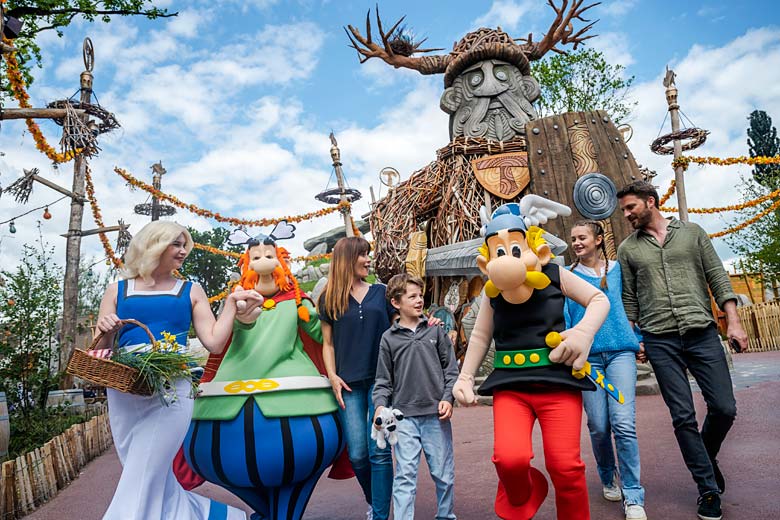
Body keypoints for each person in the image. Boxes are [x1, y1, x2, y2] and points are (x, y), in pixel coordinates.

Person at [94, 220, 262, 520]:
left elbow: (213, 341)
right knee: (145, 469)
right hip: (125, 390)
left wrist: (230, 306)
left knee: (144, 469)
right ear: (153, 245)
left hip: (172, 387)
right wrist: (106, 329)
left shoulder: (190, 289)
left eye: (185, 245)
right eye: (176, 244)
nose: (183, 251)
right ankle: (218, 515)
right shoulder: (116, 290)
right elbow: (99, 350)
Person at [617, 181, 747, 520]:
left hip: (702, 333)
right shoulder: (628, 249)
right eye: (624, 210)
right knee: (683, 416)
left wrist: (732, 320)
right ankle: (707, 489)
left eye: (631, 208)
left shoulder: (692, 233)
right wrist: (635, 339)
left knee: (724, 407)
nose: (627, 215)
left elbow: (718, 276)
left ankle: (706, 454)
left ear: (650, 201)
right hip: (660, 340)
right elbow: (629, 299)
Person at [564, 220, 646, 520]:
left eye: (582, 237)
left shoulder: (617, 271)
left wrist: (639, 339)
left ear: (598, 240)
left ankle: (634, 494)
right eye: (573, 239)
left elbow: (629, 305)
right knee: (599, 425)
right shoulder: (567, 277)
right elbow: (566, 319)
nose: (576, 243)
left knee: (623, 423)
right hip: (588, 359)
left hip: (621, 354)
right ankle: (607, 474)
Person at [319, 236, 395, 520]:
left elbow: (402, 324)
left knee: (378, 451)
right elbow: (328, 344)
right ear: (347, 259)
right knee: (358, 456)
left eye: (368, 254)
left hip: (381, 380)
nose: (367, 259)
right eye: (362, 255)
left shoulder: (382, 292)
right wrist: (332, 377)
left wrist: (431, 322)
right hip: (347, 384)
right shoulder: (328, 298)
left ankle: (379, 514)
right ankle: (375, 501)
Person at [373, 274, 459, 520]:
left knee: (444, 475)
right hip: (404, 420)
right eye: (412, 296)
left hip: (436, 417)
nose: (419, 300)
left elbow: (451, 370)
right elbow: (383, 381)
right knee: (405, 476)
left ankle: (446, 516)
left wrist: (447, 398)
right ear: (396, 302)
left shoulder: (436, 331)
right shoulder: (388, 339)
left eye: (420, 295)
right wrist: (380, 407)